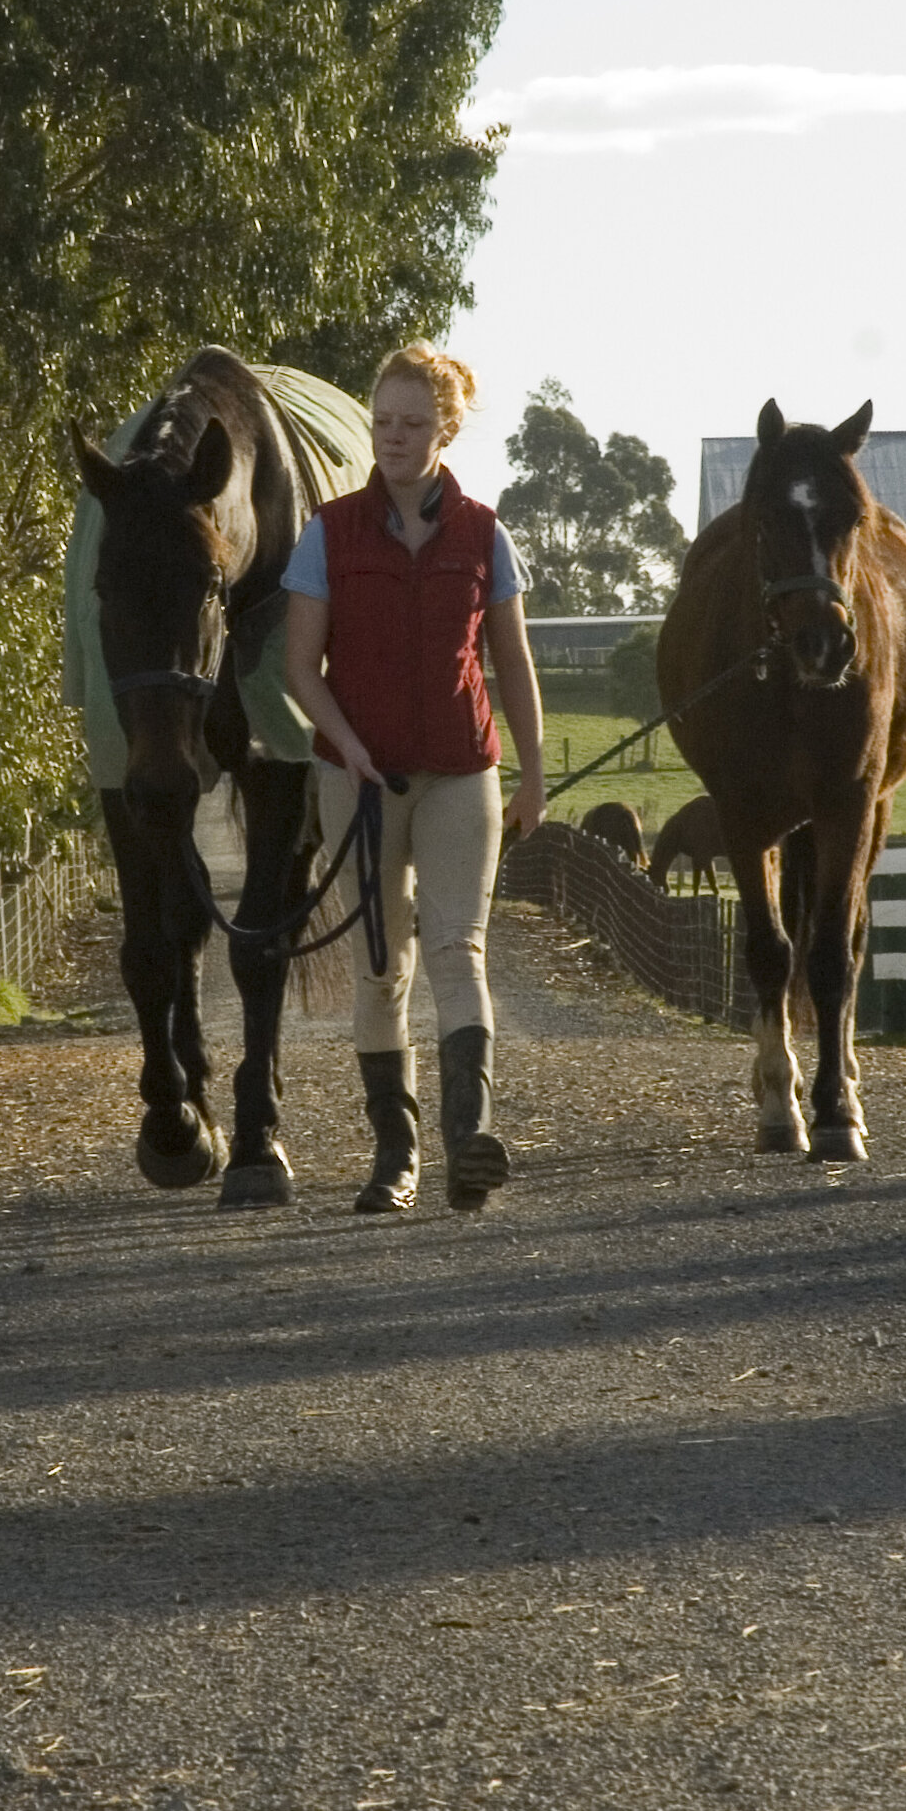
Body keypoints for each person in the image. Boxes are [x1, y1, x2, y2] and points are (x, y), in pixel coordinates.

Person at [278, 344, 548, 1213]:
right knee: (378, 967)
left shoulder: (484, 533)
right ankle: (393, 1156)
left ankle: (468, 1141)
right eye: (383, 421)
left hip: (460, 775)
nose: (393, 437)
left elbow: (513, 663)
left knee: (455, 951)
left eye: (413, 424)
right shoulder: (328, 532)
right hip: (356, 777)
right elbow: (298, 665)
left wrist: (534, 774)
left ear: (446, 430)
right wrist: (345, 743)